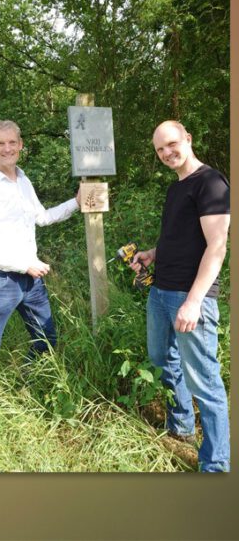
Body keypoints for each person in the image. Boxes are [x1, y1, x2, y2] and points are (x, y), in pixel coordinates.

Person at [131, 120, 230, 472]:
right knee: (162, 360)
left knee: (205, 381)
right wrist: (152, 254)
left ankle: (216, 465)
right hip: (160, 291)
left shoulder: (210, 182)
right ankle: (182, 426)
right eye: (160, 149)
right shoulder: (177, 188)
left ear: (188, 138)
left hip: (190, 297)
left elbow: (217, 247)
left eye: (171, 144)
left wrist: (194, 301)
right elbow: (184, 237)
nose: (166, 153)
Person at [0, 119, 81, 402]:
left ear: (21, 145)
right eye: (0, 143)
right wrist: (23, 264)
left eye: (12, 142)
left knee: (46, 340)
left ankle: (23, 387)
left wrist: (77, 202)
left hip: (32, 282)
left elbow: (42, 217)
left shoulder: (24, 182)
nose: (7, 148)